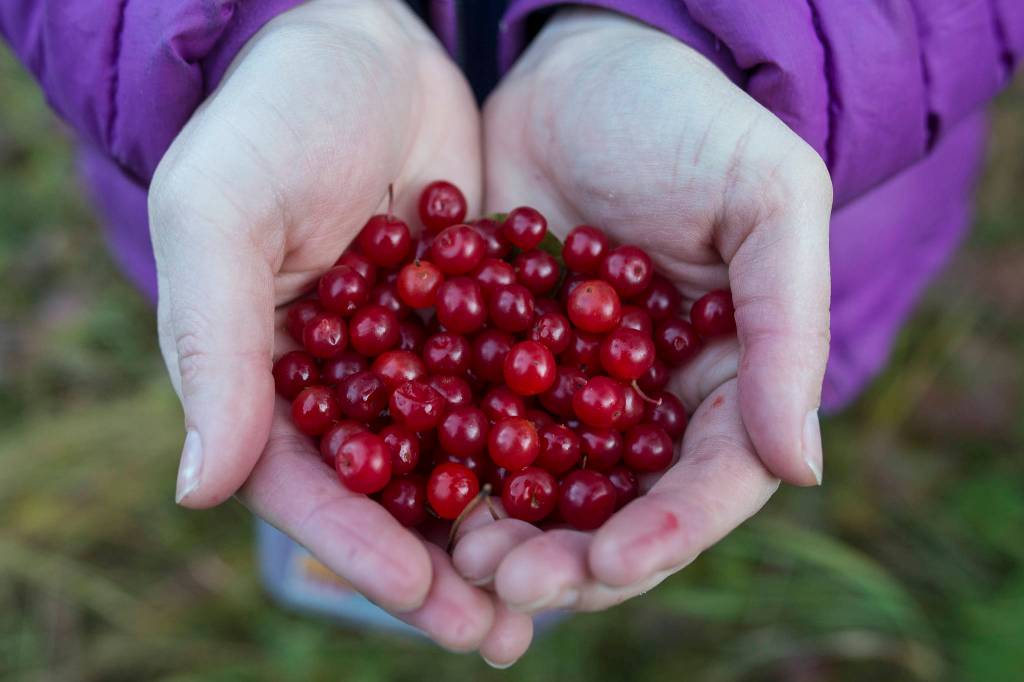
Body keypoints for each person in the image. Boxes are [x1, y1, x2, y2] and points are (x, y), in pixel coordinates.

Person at [2, 0, 1020, 668]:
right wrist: (257, 32)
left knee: (703, 418)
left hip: (797, 119)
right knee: (282, 405)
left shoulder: (603, 334)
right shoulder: (392, 328)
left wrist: (718, 33)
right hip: (287, 186)